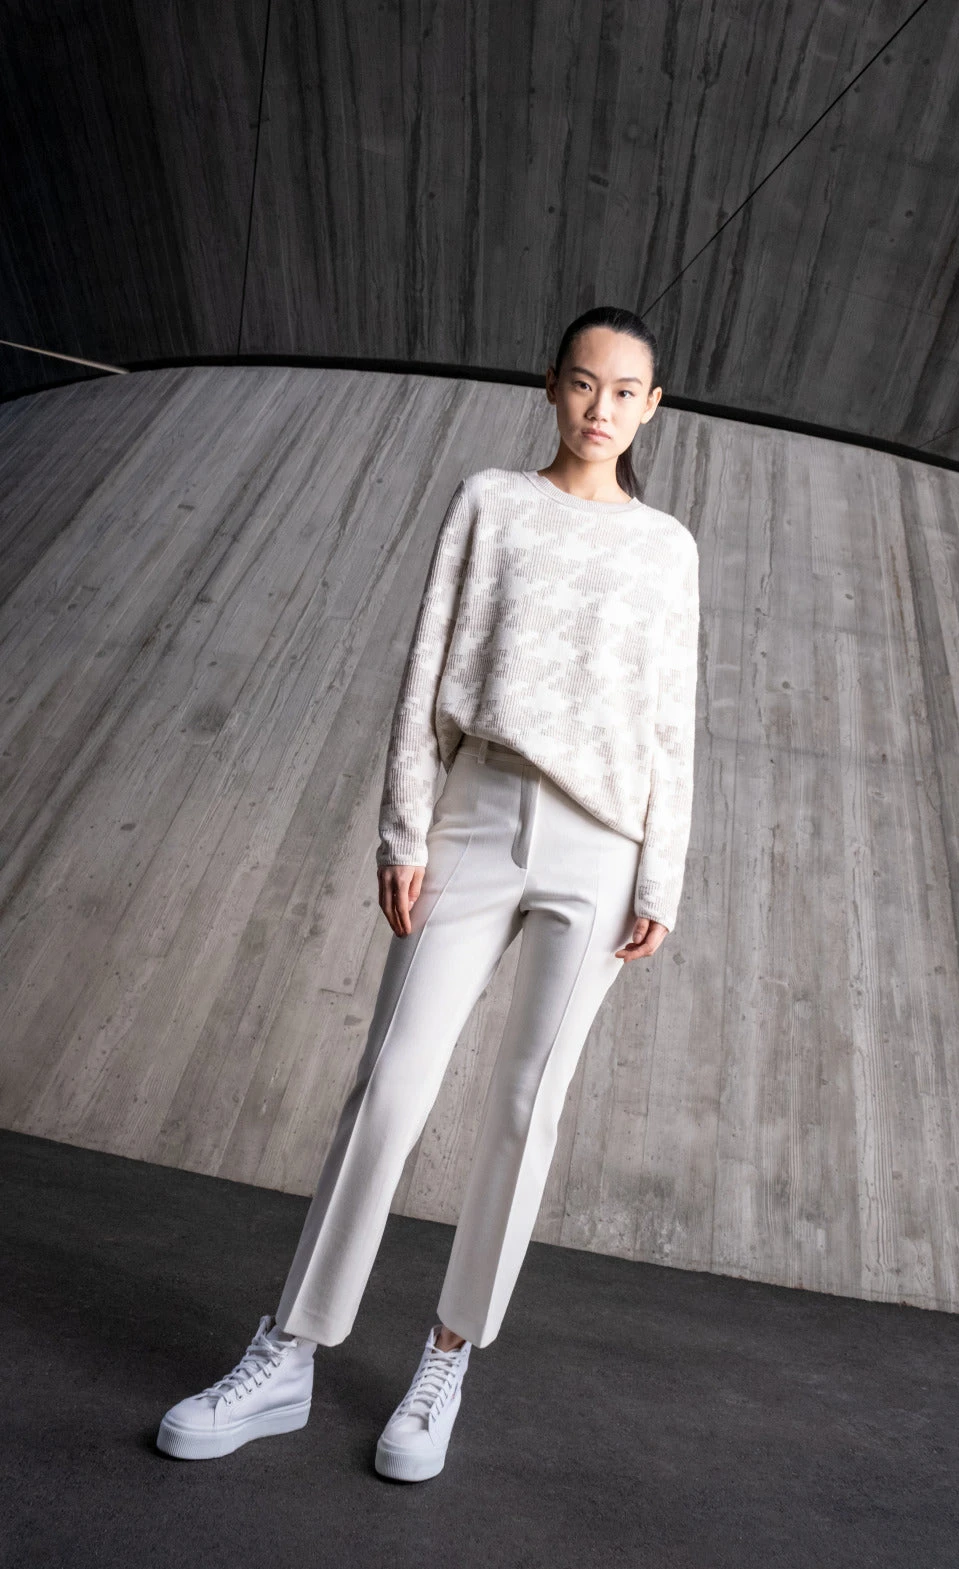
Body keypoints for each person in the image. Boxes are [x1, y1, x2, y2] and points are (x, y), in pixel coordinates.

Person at [155, 303, 701, 1482]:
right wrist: (404, 826)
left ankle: (446, 1358)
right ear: (550, 386)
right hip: (474, 811)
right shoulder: (490, 502)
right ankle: (289, 1352)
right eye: (583, 382)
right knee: (390, 1087)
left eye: (625, 391)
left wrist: (661, 870)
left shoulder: (667, 548)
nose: (601, 408)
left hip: (602, 848)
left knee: (525, 1109)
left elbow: (671, 718)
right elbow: (424, 667)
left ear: (652, 406)